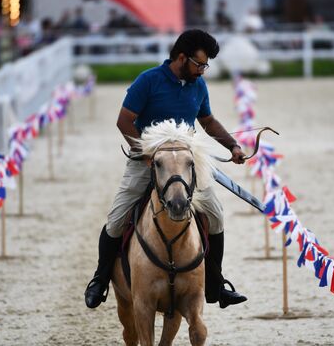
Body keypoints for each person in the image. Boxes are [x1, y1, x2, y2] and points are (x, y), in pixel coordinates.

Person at [85, 29, 248, 310]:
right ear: (181, 58)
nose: (203, 70)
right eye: (199, 64)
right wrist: (147, 155)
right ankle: (99, 280)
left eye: (206, 64)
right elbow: (124, 122)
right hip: (145, 162)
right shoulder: (148, 80)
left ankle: (215, 284)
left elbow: (207, 122)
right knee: (115, 220)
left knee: (216, 216)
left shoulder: (198, 86)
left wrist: (232, 146)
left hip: (186, 165)